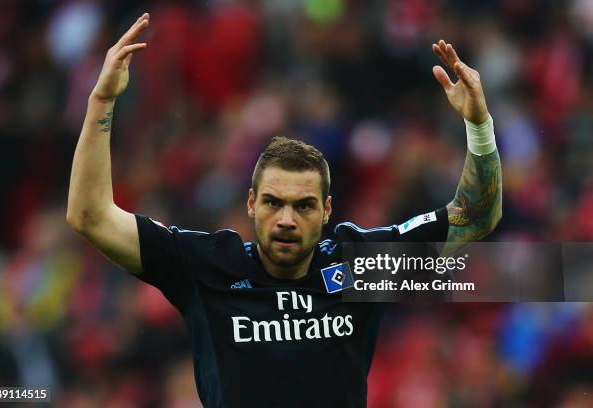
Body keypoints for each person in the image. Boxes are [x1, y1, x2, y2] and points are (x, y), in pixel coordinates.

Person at [67, 13, 502, 408]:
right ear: (252, 204)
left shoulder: (363, 266)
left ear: (327, 210)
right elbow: (90, 216)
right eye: (274, 203)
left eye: (304, 205)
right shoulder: (206, 266)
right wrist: (101, 102)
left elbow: (476, 215)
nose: (287, 219)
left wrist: (478, 125)